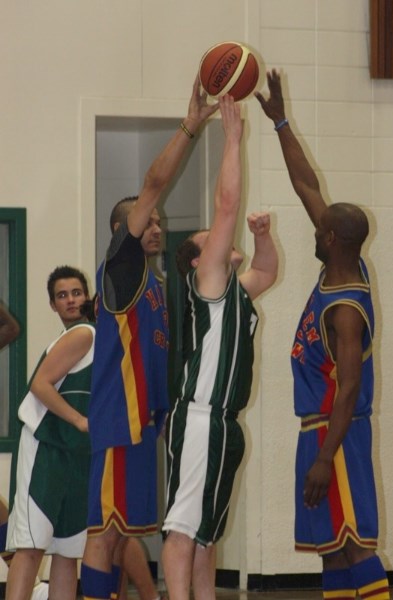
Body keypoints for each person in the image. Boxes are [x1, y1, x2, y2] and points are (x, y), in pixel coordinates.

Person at [80, 75, 218, 600]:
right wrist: (189, 126)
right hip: (119, 419)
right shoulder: (120, 267)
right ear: (125, 232)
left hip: (144, 426)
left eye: (159, 221)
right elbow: (154, 183)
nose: (156, 225)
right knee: (105, 533)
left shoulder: (158, 286)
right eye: (147, 221)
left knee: (121, 537)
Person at [256, 69, 390, 600]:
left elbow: (351, 386)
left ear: (329, 238)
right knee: (330, 546)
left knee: (356, 544)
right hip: (317, 428)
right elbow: (306, 183)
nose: (313, 229)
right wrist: (281, 121)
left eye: (318, 229)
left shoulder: (346, 310)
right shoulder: (336, 264)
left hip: (339, 432)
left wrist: (323, 455)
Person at [161, 94, 279, 600]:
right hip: (199, 417)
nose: (225, 238)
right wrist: (232, 139)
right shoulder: (207, 281)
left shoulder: (234, 291)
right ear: (199, 260)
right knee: (183, 530)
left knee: (207, 535)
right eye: (214, 239)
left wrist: (264, 235)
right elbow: (225, 205)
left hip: (224, 424)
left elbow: (268, 270)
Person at [6, 266, 95, 600]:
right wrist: (79, 420)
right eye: (62, 295)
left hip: (75, 453)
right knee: (30, 547)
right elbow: (39, 385)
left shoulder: (89, 333)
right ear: (52, 305)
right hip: (45, 448)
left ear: (87, 296)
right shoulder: (83, 334)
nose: (71, 300)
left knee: (67, 550)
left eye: (76, 292)